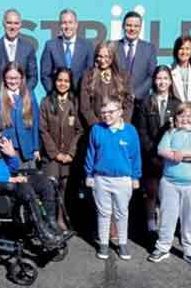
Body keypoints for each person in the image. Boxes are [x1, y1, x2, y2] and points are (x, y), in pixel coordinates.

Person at [0, 117, 63, 247]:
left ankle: (50, 222)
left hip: (10, 182)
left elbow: (13, 169)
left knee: (44, 183)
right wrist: (10, 179)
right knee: (26, 190)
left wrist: (11, 155)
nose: (0, 140)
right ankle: (42, 230)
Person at [147, 103, 191, 267]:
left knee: (190, 219)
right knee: (167, 217)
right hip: (170, 183)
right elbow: (161, 150)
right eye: (181, 115)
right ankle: (163, 247)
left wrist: (181, 154)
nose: (185, 119)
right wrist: (184, 156)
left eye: (189, 116)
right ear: (176, 118)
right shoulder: (171, 132)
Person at [85, 97, 142, 261]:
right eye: (103, 112)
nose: (106, 115)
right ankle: (103, 243)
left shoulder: (130, 131)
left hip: (123, 179)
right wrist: (89, 174)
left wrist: (135, 176)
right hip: (101, 178)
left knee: (122, 213)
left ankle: (122, 243)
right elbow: (91, 154)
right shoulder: (96, 130)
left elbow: (135, 156)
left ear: (120, 111)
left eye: (110, 112)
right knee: (103, 212)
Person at [135, 65, 181, 244]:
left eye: (165, 78)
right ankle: (151, 228)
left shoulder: (177, 104)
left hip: (170, 159)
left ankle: (168, 229)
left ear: (170, 81)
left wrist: (169, 153)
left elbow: (181, 132)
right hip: (151, 158)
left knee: (169, 196)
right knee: (151, 194)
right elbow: (142, 132)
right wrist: (154, 152)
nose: (162, 82)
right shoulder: (146, 102)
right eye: (159, 78)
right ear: (154, 81)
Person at [39, 67, 84, 230]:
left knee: (65, 188)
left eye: (66, 81)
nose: (62, 84)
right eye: (59, 80)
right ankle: (49, 221)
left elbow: (79, 130)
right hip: (52, 156)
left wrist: (71, 153)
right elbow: (43, 130)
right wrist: (55, 154)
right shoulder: (46, 102)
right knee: (51, 188)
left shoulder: (75, 102)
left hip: (69, 156)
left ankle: (61, 218)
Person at [0, 62, 39, 168]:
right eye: (9, 78)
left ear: (22, 78)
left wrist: (36, 148)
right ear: (4, 79)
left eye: (16, 78)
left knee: (26, 177)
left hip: (26, 150)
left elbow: (35, 124)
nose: (13, 81)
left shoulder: (30, 95)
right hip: (4, 150)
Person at [79, 41, 135, 129]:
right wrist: (98, 127)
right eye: (100, 56)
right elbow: (85, 107)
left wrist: (121, 124)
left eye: (107, 57)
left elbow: (129, 103)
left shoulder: (123, 76)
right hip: (97, 128)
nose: (103, 60)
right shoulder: (88, 76)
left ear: (113, 57)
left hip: (119, 128)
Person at [40, 9, 94, 93]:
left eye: (70, 22)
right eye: (64, 23)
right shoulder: (50, 45)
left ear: (76, 24)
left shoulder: (87, 46)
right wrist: (54, 95)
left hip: (80, 96)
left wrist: (84, 95)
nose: (67, 26)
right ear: (60, 25)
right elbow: (45, 75)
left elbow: (91, 73)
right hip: (56, 97)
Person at [0, 9, 37, 91]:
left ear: (20, 25)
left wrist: (20, 92)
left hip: (22, 96)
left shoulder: (28, 49)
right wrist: (6, 93)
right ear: (3, 23)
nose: (12, 27)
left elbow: (33, 77)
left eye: (16, 23)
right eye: (9, 23)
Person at [113, 10, 158, 100]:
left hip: (141, 101)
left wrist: (136, 94)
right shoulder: (113, 47)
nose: (132, 29)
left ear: (140, 28)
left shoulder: (149, 48)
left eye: (136, 26)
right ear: (123, 26)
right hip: (115, 100)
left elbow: (152, 76)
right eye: (129, 25)